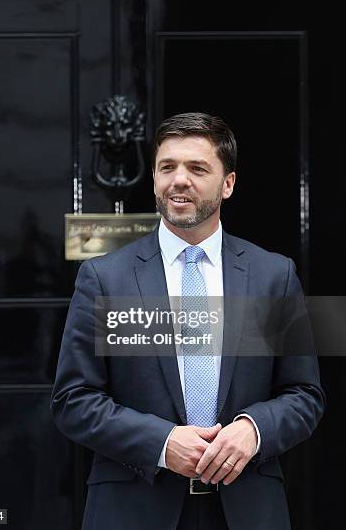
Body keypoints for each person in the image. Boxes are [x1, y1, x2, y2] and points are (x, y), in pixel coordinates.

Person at [51, 112, 324, 530]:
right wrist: (161, 442)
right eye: (167, 167)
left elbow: (304, 394)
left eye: (197, 168)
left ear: (228, 183)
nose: (179, 179)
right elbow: (74, 400)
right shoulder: (106, 278)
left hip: (247, 510)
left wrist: (253, 430)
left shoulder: (273, 276)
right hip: (135, 510)